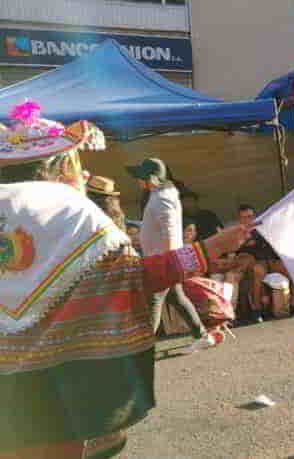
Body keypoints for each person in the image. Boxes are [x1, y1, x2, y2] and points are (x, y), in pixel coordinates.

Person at [0, 104, 250, 459]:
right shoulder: (70, 211)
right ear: (59, 164)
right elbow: (131, 276)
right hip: (53, 386)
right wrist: (205, 252)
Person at [127, 158, 214, 352]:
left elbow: (168, 230)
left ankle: (143, 350)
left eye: (140, 177)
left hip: (162, 258)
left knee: (154, 301)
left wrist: (165, 261)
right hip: (165, 258)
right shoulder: (163, 194)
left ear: (151, 179)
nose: (137, 181)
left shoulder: (160, 198)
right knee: (177, 298)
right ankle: (202, 335)